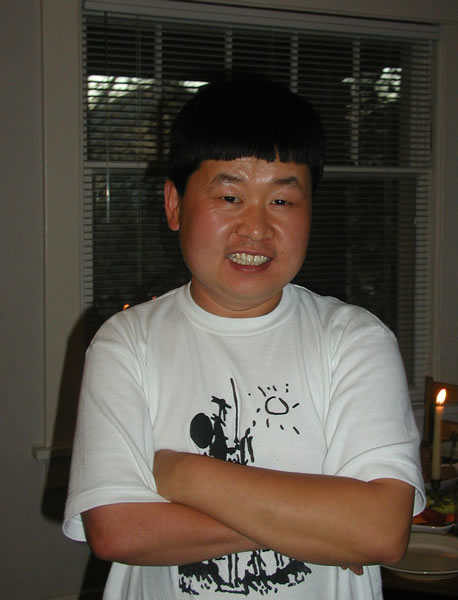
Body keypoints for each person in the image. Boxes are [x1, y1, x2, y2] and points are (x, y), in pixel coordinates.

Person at [63, 79, 425, 600]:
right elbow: (118, 530)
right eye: (229, 196)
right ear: (175, 205)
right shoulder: (127, 343)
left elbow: (382, 531)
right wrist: (325, 524)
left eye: (282, 199)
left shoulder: (355, 340)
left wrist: (181, 474)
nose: (255, 228)